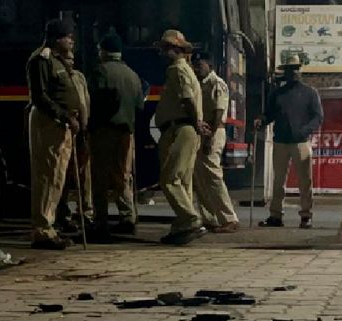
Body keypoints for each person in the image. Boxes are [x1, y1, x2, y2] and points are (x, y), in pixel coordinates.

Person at [25, 18, 81, 250]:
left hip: (62, 126)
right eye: (68, 37)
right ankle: (43, 230)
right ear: (58, 38)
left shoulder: (58, 60)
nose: (71, 42)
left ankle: (49, 226)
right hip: (49, 124)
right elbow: (41, 96)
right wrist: (64, 116)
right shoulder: (42, 59)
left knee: (57, 176)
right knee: (47, 176)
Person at [255, 54, 323, 229]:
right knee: (278, 181)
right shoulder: (277, 93)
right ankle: (275, 215)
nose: (293, 72)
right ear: (284, 72)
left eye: (295, 69)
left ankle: (306, 215)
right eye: (289, 69)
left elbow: (318, 117)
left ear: (300, 70)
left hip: (301, 142)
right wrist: (261, 120)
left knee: (305, 181)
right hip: (280, 141)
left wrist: (305, 130)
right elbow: (269, 113)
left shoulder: (310, 92)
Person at [154, 30, 208, 245]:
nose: (163, 52)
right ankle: (182, 227)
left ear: (177, 50)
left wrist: (195, 122)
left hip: (181, 128)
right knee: (183, 182)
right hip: (186, 128)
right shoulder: (187, 71)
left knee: (170, 178)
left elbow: (186, 99)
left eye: (167, 48)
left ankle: (190, 219)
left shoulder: (177, 70)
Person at [89, 32, 144, 240]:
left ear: (103, 50)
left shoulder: (99, 71)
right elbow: (139, 105)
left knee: (100, 178)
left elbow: (93, 100)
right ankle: (128, 216)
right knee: (122, 176)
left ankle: (100, 221)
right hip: (126, 133)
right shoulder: (132, 74)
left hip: (104, 130)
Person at [190, 51, 240, 234]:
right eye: (194, 65)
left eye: (200, 64)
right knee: (200, 178)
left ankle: (229, 218)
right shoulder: (199, 84)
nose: (197, 68)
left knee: (213, 175)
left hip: (214, 132)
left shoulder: (217, 84)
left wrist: (209, 139)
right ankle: (208, 218)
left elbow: (219, 112)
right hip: (201, 133)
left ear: (209, 65)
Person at [55, 51, 93, 233]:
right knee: (63, 172)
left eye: (71, 59)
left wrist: (85, 124)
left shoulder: (79, 77)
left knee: (84, 173)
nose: (70, 62)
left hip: (82, 131)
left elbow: (85, 101)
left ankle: (86, 211)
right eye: (66, 59)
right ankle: (62, 213)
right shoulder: (59, 77)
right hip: (66, 129)